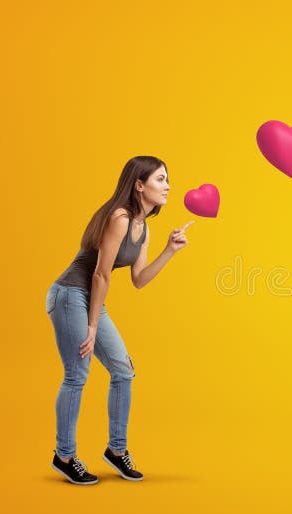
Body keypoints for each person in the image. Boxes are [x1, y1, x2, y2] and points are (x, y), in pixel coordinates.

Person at [46, 156, 193, 484]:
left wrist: (170, 250)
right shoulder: (120, 217)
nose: (168, 185)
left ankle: (116, 450)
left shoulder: (143, 227)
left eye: (167, 179)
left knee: (123, 370)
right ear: (139, 185)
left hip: (89, 301)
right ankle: (64, 455)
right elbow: (100, 275)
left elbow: (138, 279)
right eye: (160, 179)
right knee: (77, 374)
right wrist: (93, 325)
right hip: (70, 295)